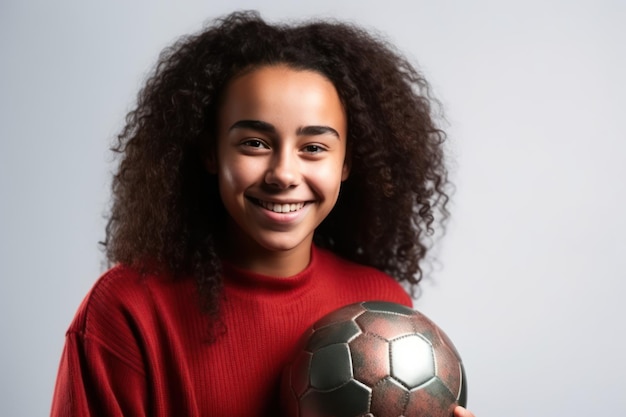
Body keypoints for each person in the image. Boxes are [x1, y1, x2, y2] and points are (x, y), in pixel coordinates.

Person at [51, 10, 475, 417]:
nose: (283, 174)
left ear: (347, 164)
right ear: (210, 152)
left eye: (314, 148)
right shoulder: (128, 311)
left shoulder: (383, 306)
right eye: (255, 143)